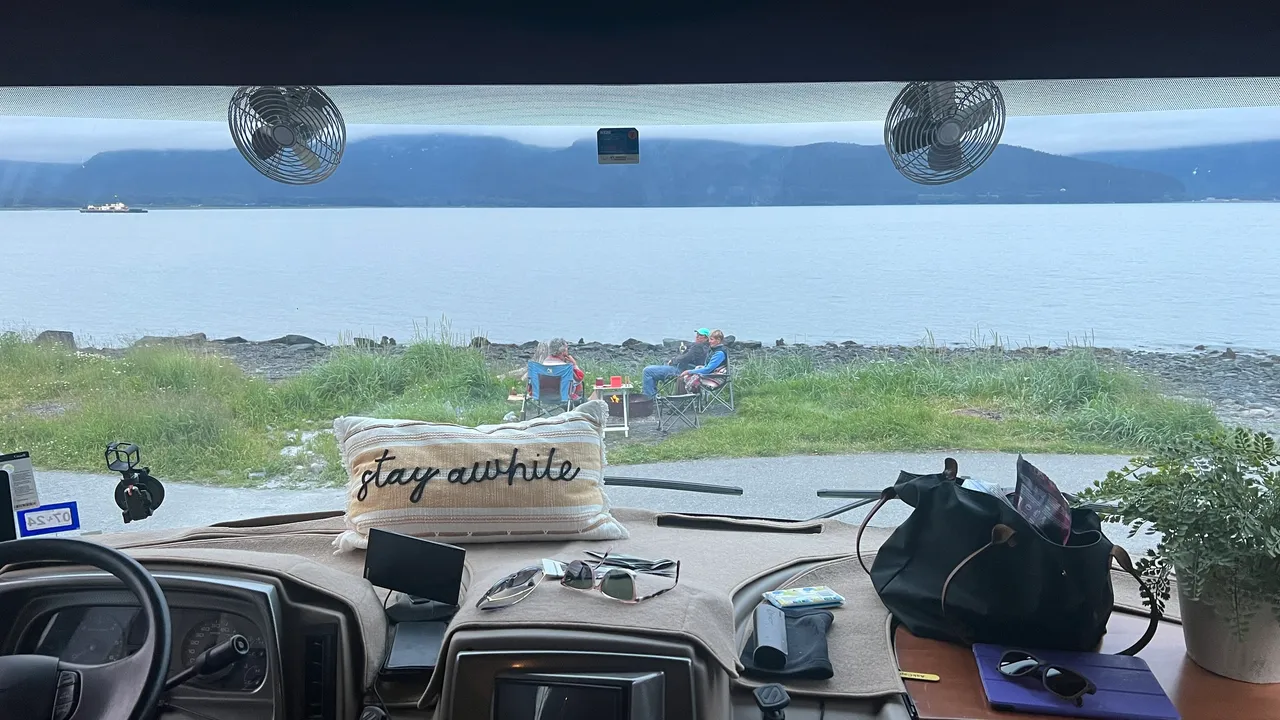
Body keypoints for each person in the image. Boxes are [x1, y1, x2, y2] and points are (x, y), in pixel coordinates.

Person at [641, 328, 711, 397]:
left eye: (700, 335)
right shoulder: (709, 348)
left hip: (682, 370)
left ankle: (649, 398)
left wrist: (673, 360)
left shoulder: (698, 347)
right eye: (697, 334)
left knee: (648, 371)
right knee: (659, 368)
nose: (697, 336)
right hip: (694, 371)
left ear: (706, 338)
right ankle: (653, 396)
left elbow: (685, 358)